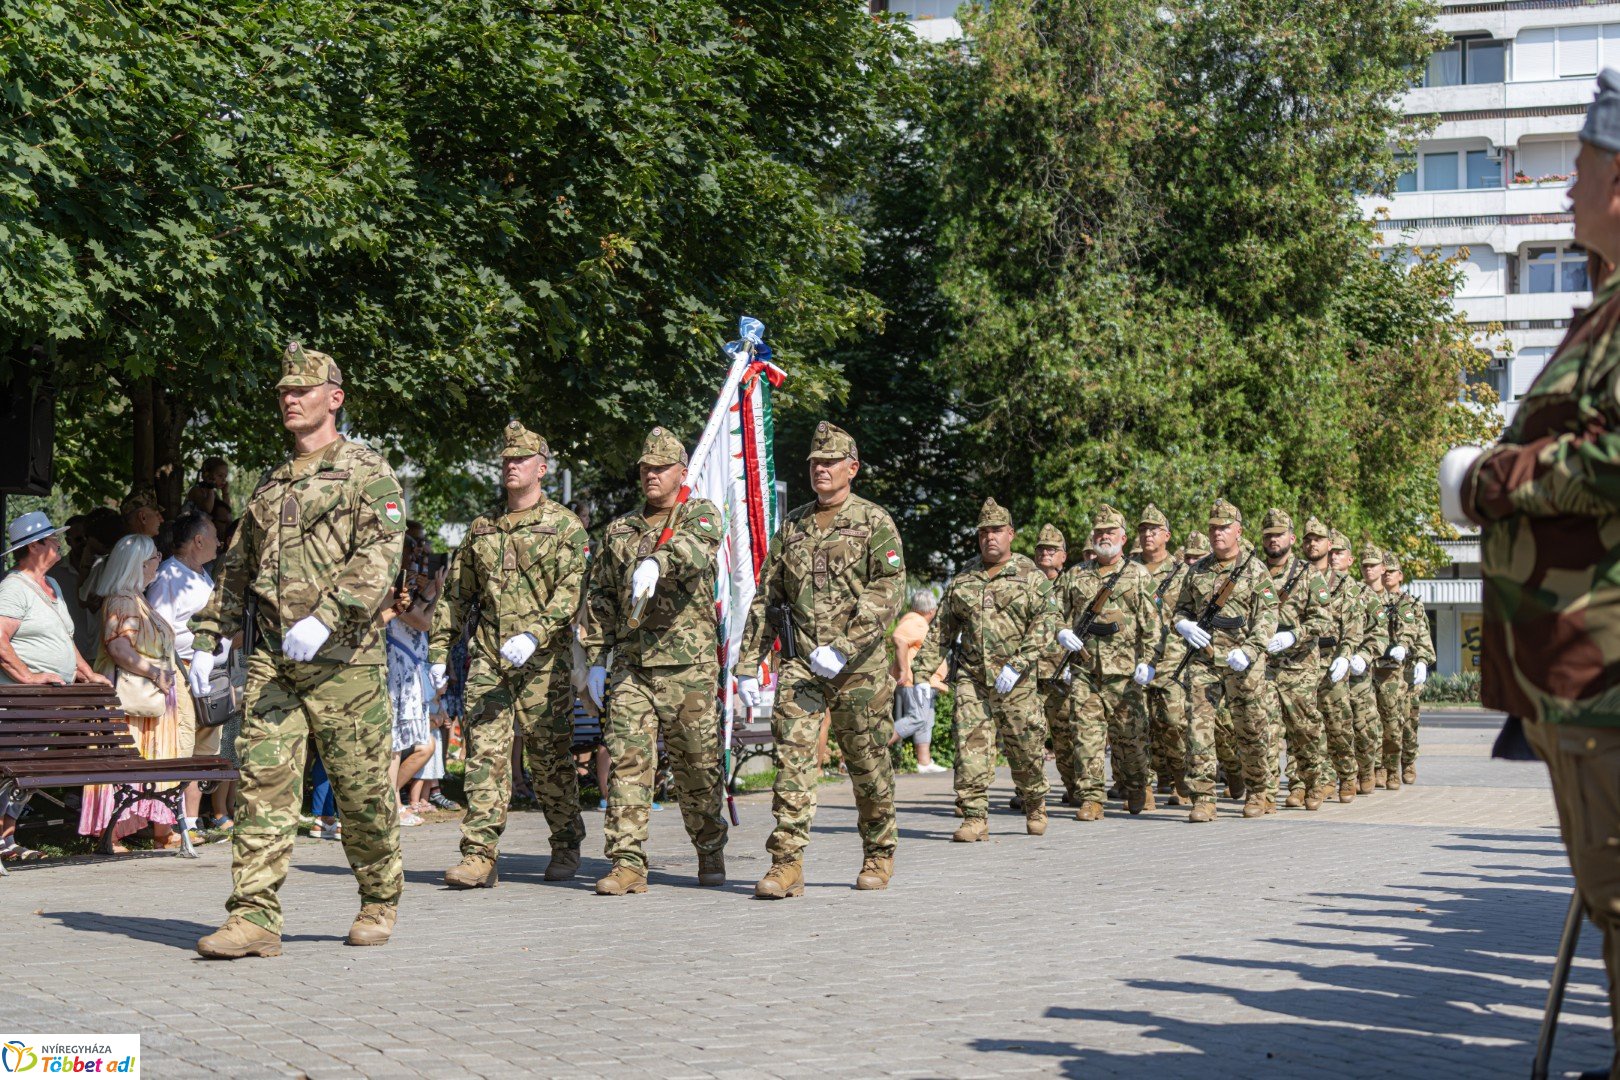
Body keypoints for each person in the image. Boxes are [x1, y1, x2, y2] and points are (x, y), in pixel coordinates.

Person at [1439, 74, 1620, 1076]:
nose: (1564, 191)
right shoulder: (1605, 311)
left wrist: (1494, 480)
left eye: (1580, 169)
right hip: (1583, 668)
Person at [189, 340, 407, 959]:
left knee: (362, 792)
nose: (289, 398)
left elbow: (379, 558)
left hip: (346, 666)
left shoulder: (369, 473)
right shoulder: (271, 482)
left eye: (302, 390)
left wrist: (328, 617)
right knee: (263, 787)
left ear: (333, 399)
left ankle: (378, 897)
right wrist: (210, 633)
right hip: (275, 665)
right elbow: (237, 570)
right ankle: (254, 918)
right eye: (284, 391)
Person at [736, 421, 905, 897]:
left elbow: (889, 591)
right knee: (792, 760)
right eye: (814, 462)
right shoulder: (793, 526)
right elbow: (768, 596)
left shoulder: (875, 522)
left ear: (852, 468)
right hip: (802, 664)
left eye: (830, 462)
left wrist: (846, 646)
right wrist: (749, 662)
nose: (820, 469)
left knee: (867, 763)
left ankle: (878, 852)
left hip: (859, 669)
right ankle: (786, 864)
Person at [429, 420, 588, 889]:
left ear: (542, 467)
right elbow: (457, 595)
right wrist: (439, 649)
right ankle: (480, 855)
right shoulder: (483, 530)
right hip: (490, 659)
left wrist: (536, 634)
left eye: (520, 460)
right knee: (485, 756)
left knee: (549, 757)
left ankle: (565, 842)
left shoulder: (565, 527)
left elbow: (570, 591)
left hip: (543, 662)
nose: (511, 467)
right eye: (506, 460)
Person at [582, 425, 729, 895]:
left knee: (696, 766)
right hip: (631, 665)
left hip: (687, 668)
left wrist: (657, 562)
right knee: (627, 762)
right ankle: (627, 863)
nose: (651, 474)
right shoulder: (619, 530)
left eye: (661, 467)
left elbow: (695, 552)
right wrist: (594, 661)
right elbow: (601, 597)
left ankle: (709, 849)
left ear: (682, 472)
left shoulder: (699, 514)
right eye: (645, 467)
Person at [914, 498, 1054, 839]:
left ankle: (1034, 800)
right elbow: (942, 630)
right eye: (983, 532)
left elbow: (1047, 623)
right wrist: (921, 673)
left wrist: (1018, 664)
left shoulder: (1031, 577)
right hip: (973, 678)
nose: (990, 537)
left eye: (996, 531)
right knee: (969, 746)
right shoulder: (964, 579)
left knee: (1026, 749)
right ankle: (975, 815)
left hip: (1016, 682)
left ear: (1011, 534)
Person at [1158, 499, 1279, 822]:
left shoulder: (1254, 569)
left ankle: (1258, 792)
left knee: (1250, 728)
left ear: (1238, 531)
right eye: (1213, 528)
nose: (1217, 534)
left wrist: (1251, 651)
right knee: (1198, 728)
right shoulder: (1197, 570)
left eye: (1224, 528)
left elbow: (1268, 616)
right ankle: (1203, 798)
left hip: (1243, 662)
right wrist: (1183, 625)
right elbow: (1180, 609)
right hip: (1204, 660)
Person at [0, 512, 110, 862]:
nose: (59, 543)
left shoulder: (53, 586)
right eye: (52, 539)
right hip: (21, 704)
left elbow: (64, 639)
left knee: (29, 774)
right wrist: (28, 677)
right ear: (34, 545)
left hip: (50, 706)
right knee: (14, 770)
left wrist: (86, 673)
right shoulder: (13, 588)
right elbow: (0, 641)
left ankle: (7, 842)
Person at [77, 534, 195, 851]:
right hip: (129, 702)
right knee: (123, 766)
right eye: (156, 554)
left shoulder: (136, 599)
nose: (160, 559)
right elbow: (119, 647)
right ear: (140, 563)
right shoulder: (123, 602)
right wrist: (155, 672)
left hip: (149, 700)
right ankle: (110, 833)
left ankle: (161, 829)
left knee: (157, 760)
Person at [1054, 505, 1157, 819]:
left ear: (1123, 538)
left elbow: (1154, 624)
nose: (1103, 537)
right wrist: (1061, 632)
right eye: (1099, 532)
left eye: (1109, 532)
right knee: (1086, 735)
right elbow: (1053, 613)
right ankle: (1092, 798)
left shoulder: (1138, 575)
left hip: (1126, 674)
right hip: (1086, 670)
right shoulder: (1075, 575)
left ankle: (1138, 786)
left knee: (1130, 740)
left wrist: (1149, 662)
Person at [147, 509, 233, 839]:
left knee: (203, 751)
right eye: (213, 535)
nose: (219, 542)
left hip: (211, 677)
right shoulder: (170, 576)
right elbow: (160, 628)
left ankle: (192, 823)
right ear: (198, 540)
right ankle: (170, 825)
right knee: (182, 748)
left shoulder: (201, 575)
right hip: (182, 672)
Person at [1256, 509, 1333, 812]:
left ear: (1291, 538)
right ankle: (1266, 793)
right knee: (1265, 729)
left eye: (1279, 534)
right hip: (1263, 665)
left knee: (1304, 729)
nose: (1273, 540)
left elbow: (1324, 620)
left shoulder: (1309, 574)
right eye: (1268, 535)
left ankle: (1314, 783)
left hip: (1299, 665)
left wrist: (1294, 635)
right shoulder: (1253, 572)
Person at [1135, 504, 1191, 803]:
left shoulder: (1183, 573)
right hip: (1133, 659)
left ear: (1166, 535)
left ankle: (1181, 773)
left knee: (1172, 723)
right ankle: (1144, 786)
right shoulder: (1126, 569)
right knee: (1136, 726)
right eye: (1143, 529)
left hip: (1172, 660)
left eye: (1153, 530)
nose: (1147, 534)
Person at [382, 551, 440, 829]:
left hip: (413, 674)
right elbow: (422, 621)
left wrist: (430, 593)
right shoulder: (390, 593)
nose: (418, 575)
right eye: (415, 569)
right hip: (397, 673)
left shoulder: (409, 597)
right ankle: (392, 802)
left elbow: (425, 620)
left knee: (423, 744)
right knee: (395, 745)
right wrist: (432, 593)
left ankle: (390, 798)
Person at [1028, 524, 1079, 804]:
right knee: (1028, 736)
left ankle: (1074, 787)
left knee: (1065, 737)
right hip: (1030, 671)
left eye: (1052, 549)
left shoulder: (1072, 584)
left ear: (1063, 556)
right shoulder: (1025, 582)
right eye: (1041, 549)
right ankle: (1030, 792)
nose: (1046, 553)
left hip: (1062, 671)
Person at [1312, 528, 1360, 804]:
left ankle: (1347, 774)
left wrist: (1347, 654)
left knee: (1338, 725)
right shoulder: (1302, 578)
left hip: (1334, 661)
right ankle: (1323, 780)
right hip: (1306, 661)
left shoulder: (1346, 585)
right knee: (1310, 726)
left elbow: (1354, 626)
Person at [890, 590, 948, 775]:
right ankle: (876, 744)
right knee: (918, 717)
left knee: (926, 720)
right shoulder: (915, 621)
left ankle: (924, 762)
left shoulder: (918, 622)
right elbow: (899, 638)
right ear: (931, 609)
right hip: (914, 681)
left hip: (926, 682)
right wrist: (904, 670)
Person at [185, 457, 234, 538]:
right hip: (191, 532)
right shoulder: (196, 491)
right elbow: (208, 508)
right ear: (206, 475)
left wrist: (225, 493)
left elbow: (225, 512)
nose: (223, 480)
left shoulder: (213, 494)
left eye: (225, 477)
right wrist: (210, 486)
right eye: (220, 476)